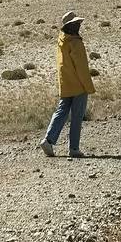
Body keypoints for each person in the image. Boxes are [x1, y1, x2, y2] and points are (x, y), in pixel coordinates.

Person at [39, 10, 95, 158]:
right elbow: (81, 67)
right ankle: (74, 148)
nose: (79, 25)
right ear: (71, 26)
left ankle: (48, 140)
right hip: (78, 84)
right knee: (77, 116)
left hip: (65, 83)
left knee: (61, 112)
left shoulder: (61, 40)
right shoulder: (75, 42)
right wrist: (88, 86)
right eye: (76, 23)